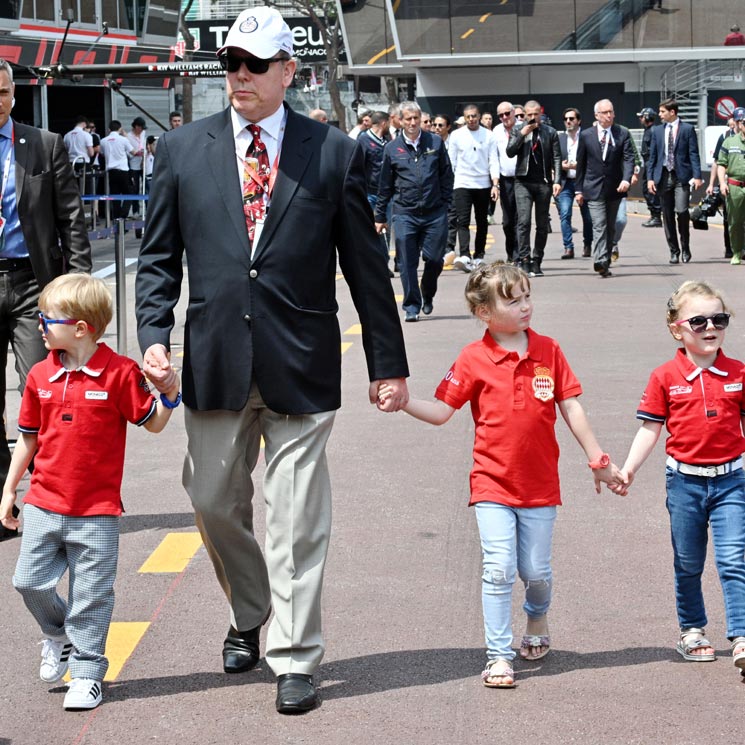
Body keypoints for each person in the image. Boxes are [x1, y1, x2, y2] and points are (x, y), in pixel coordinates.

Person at [135, 7, 409, 715]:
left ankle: (293, 654)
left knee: (295, 517)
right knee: (210, 499)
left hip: (301, 359)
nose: (241, 77)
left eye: (256, 64)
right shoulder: (182, 150)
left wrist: (387, 360)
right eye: (231, 63)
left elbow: (366, 268)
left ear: (290, 70)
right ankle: (251, 606)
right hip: (215, 359)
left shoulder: (333, 151)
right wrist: (153, 334)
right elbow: (159, 257)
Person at [379, 263, 622, 688]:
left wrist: (598, 458)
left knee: (536, 571)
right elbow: (441, 412)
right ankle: (498, 654)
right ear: (484, 312)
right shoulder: (473, 358)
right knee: (499, 567)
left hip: (541, 485)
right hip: (491, 482)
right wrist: (403, 402)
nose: (526, 306)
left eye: (527, 296)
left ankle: (537, 617)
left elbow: (571, 408)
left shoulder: (549, 350)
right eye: (513, 300)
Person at [0, 274, 180, 711]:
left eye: (48, 318)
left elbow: (153, 423)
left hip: (98, 511)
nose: (40, 325)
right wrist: (8, 491)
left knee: (92, 596)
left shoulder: (120, 372)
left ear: (80, 328)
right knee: (27, 581)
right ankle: (58, 633)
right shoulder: (40, 374)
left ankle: (86, 673)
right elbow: (27, 439)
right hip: (44, 502)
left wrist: (170, 391)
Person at [613, 280, 745, 675]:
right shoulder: (664, 376)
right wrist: (630, 469)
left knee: (734, 558)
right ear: (677, 328)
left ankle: (741, 635)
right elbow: (650, 429)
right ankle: (692, 629)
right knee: (688, 561)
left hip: (732, 482)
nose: (710, 327)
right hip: (684, 482)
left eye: (719, 319)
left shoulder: (738, 372)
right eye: (699, 320)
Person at [0, 59, 92, 543]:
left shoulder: (43, 144)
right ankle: (3, 500)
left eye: (1, 92)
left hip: (33, 285)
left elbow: (71, 220)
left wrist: (74, 291)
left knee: (40, 390)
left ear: (13, 93)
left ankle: (48, 502)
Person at [375, 100, 453, 322]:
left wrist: (446, 205)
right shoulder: (392, 149)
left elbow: (446, 176)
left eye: (415, 118)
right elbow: (385, 186)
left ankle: (427, 292)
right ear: (400, 121)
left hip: (434, 213)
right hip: (404, 213)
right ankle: (411, 305)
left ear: (421, 119)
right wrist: (380, 216)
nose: (412, 122)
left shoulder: (435, 143)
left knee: (435, 259)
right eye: (407, 118)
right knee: (407, 261)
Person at [575, 99, 634, 278]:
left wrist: (626, 179)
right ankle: (600, 259)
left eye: (611, 112)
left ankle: (606, 259)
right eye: (605, 112)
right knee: (599, 225)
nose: (609, 115)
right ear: (597, 116)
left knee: (610, 226)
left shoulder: (622, 133)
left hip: (615, 188)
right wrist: (578, 190)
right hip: (593, 187)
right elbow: (581, 164)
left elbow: (629, 158)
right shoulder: (586, 135)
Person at [505, 100, 562, 277]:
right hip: (523, 181)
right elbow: (510, 152)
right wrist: (523, 133)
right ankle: (524, 259)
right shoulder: (517, 129)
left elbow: (557, 158)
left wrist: (557, 180)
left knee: (542, 224)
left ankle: (537, 260)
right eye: (528, 115)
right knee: (523, 222)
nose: (532, 118)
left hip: (543, 182)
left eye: (535, 114)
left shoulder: (550, 132)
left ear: (540, 114)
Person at [647, 98, 702, 264]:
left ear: (672, 112)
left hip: (681, 176)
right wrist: (650, 178)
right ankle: (674, 250)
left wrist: (698, 175)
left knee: (682, 211)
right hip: (663, 177)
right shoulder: (656, 131)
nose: (660, 115)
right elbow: (653, 157)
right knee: (668, 215)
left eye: (663, 111)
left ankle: (685, 247)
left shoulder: (687, 129)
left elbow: (693, 153)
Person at [448, 104, 499, 273]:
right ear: (464, 118)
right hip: (462, 183)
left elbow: (493, 160)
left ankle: (479, 255)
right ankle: (464, 255)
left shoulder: (489, 135)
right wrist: (449, 184)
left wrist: (495, 184)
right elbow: (451, 161)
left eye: (474, 116)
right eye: (468, 116)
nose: (471, 119)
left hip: (483, 184)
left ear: (479, 116)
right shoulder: (456, 135)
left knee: (481, 221)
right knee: (462, 220)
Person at [556, 107, 592, 260]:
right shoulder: (560, 139)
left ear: (579, 121)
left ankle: (587, 244)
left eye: (572, 118)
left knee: (588, 217)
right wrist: (560, 166)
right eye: (566, 119)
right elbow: (554, 159)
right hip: (565, 182)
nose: (568, 121)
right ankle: (568, 247)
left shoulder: (586, 137)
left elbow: (592, 159)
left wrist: (580, 165)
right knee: (565, 214)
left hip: (583, 182)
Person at [357, 111, 392, 266]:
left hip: (386, 193)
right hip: (369, 193)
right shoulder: (363, 140)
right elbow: (358, 167)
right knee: (371, 229)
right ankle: (375, 263)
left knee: (386, 228)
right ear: (384, 123)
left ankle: (384, 261)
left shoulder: (387, 140)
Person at [717, 106, 745, 265]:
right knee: (735, 222)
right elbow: (721, 164)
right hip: (735, 186)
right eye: (742, 122)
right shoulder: (729, 142)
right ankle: (736, 252)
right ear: (738, 124)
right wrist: (722, 183)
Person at [493, 102, 519, 263]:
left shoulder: (523, 128)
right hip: (505, 180)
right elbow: (494, 158)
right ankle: (511, 253)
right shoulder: (496, 131)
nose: (504, 117)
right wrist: (495, 183)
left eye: (507, 113)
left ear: (514, 113)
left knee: (521, 219)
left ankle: (520, 255)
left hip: (523, 179)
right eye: (501, 115)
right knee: (508, 221)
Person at [710, 116, 737, 259]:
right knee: (728, 218)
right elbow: (717, 162)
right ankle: (729, 248)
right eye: (731, 125)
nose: (734, 128)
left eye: (737, 124)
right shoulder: (725, 137)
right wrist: (712, 183)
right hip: (728, 183)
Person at [99, 120, 135, 221]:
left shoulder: (103, 141)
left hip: (111, 172)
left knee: (115, 197)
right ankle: (123, 215)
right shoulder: (123, 140)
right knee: (129, 194)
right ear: (120, 129)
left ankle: (117, 219)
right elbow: (133, 152)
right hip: (123, 171)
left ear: (109, 129)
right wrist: (126, 136)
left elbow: (101, 153)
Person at [637, 107, 662, 228]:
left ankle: (656, 216)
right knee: (646, 190)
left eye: (642, 117)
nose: (640, 119)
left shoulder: (653, 131)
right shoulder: (648, 130)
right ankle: (654, 215)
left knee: (650, 190)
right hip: (647, 164)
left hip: (651, 165)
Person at [126, 116, 146, 218]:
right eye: (140, 127)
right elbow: (127, 152)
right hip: (133, 165)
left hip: (144, 163)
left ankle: (147, 210)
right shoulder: (128, 136)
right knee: (135, 188)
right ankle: (135, 211)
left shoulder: (143, 134)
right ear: (136, 126)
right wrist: (135, 153)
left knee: (146, 187)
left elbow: (144, 145)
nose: (141, 130)